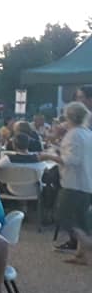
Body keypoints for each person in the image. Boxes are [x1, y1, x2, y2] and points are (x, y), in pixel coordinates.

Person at [39, 101, 92, 263]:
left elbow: (71, 160)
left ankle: (88, 245)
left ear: (69, 117)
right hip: (86, 182)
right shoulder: (87, 133)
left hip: (73, 183)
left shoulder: (74, 134)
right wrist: (57, 146)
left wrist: (48, 156)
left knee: (63, 216)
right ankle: (81, 254)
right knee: (81, 220)